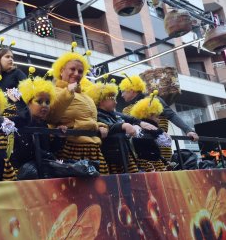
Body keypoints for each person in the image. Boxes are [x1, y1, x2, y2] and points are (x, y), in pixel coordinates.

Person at [47, 44, 109, 175]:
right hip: (70, 149)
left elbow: (90, 120)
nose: (76, 74)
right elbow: (51, 116)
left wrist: (101, 126)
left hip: (95, 150)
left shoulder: (86, 96)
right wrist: (67, 93)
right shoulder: (52, 91)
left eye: (80, 71)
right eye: (72, 69)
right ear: (61, 71)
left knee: (102, 191)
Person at [119, 74, 199, 143]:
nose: (122, 95)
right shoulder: (126, 109)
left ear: (131, 90)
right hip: (138, 150)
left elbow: (171, 115)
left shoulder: (153, 99)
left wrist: (188, 130)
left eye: (123, 91)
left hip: (160, 146)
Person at [86, 79, 140, 174]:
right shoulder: (97, 115)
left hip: (122, 154)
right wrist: (123, 125)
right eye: (112, 99)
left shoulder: (114, 115)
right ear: (101, 100)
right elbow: (107, 126)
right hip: (112, 157)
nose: (116, 102)